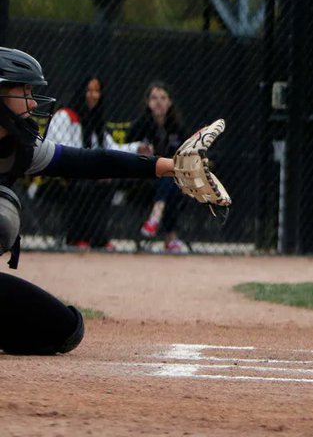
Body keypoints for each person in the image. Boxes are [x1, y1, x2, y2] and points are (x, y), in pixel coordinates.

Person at [0, 47, 195, 355]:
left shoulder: (20, 147)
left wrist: (168, 166)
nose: (33, 101)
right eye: (24, 90)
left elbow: (93, 162)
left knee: (64, 330)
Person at [44, 75, 133, 249]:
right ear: (81, 92)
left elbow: (112, 148)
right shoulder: (65, 116)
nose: (93, 95)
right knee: (84, 184)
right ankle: (76, 237)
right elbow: (64, 152)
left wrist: (138, 149)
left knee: (108, 184)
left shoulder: (95, 123)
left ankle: (98, 238)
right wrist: (92, 170)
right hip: (58, 175)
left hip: (86, 173)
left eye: (97, 91)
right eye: (89, 90)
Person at [129, 81, 189, 253]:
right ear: (148, 102)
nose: (159, 102)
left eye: (163, 98)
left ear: (170, 102)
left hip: (170, 179)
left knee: (172, 179)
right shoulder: (139, 125)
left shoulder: (177, 127)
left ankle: (156, 216)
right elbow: (125, 150)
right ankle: (171, 238)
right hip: (142, 178)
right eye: (154, 98)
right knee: (169, 178)